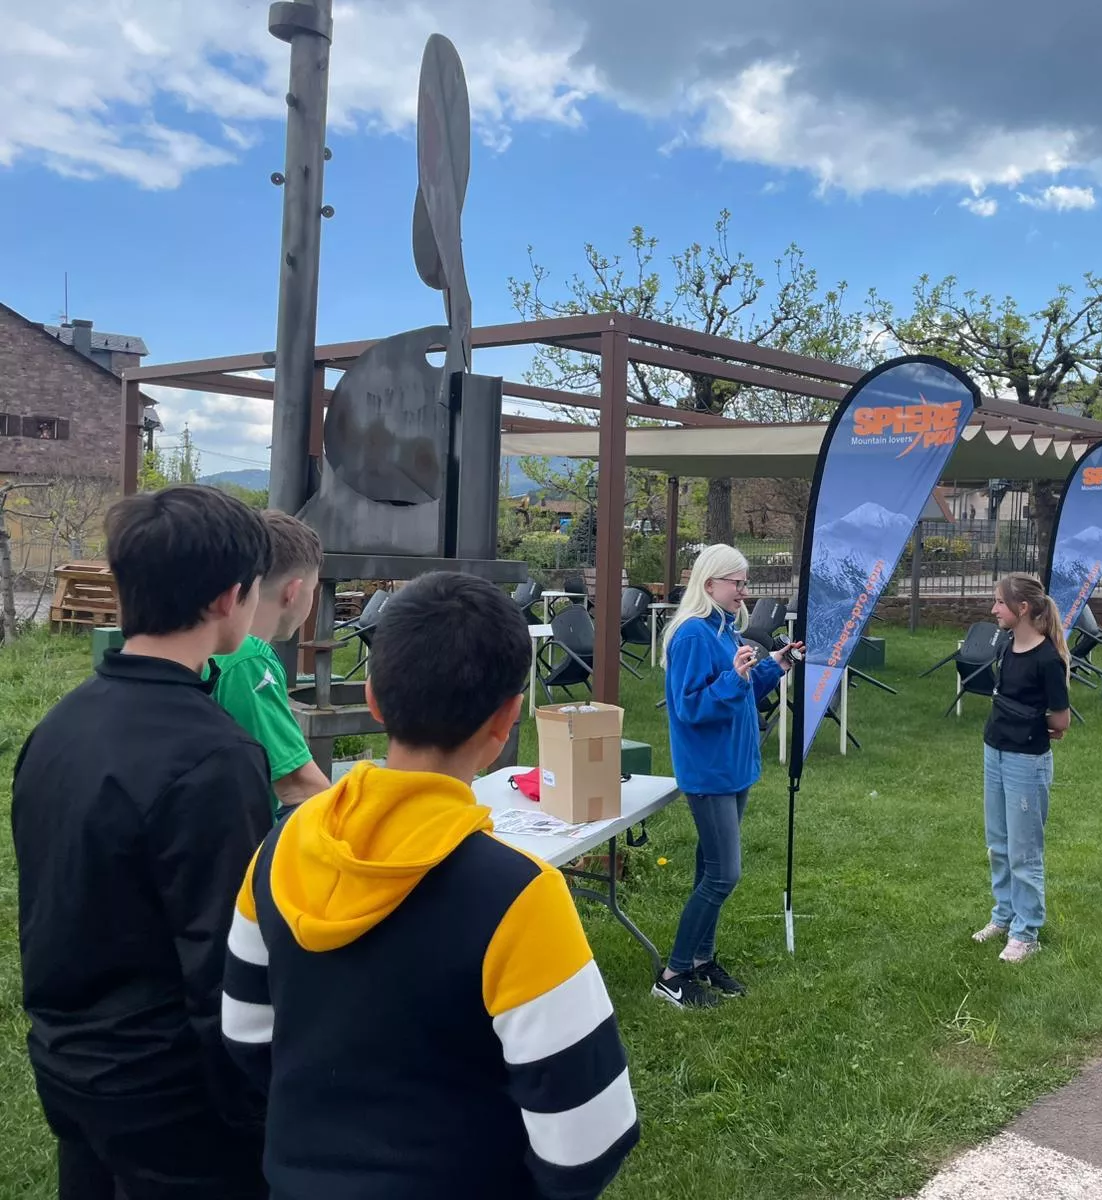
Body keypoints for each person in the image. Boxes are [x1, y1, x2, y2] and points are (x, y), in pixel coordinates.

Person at [221, 572, 639, 1198]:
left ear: (375, 699)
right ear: (507, 719)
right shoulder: (521, 897)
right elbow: (590, 1137)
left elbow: (245, 1034)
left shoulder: (279, 850)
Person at [12, 485, 273, 1199]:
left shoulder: (57, 729)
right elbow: (228, 964)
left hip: (68, 1066)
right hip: (173, 1099)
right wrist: (259, 1109)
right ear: (229, 598)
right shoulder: (216, 756)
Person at [654, 544, 801, 1009]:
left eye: (744, 582)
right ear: (710, 583)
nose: (745, 591)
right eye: (737, 582)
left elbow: (738, 691)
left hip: (735, 767)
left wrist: (773, 665)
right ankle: (673, 974)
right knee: (723, 875)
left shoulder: (723, 630)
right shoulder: (694, 636)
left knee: (709, 868)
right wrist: (735, 680)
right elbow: (690, 707)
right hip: (710, 772)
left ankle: (702, 959)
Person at [970, 572, 1071, 964]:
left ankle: (1026, 932)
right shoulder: (1006, 647)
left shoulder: (1047, 658)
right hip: (994, 751)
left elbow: (1061, 721)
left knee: (1024, 851)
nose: (994, 609)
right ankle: (1004, 915)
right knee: (998, 843)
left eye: (999, 602)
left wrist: (1031, 726)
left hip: (1025, 762)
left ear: (1022, 608)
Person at [209, 509, 329, 820]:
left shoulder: (209, 641)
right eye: (312, 590)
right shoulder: (248, 657)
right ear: (293, 591)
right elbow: (299, 786)